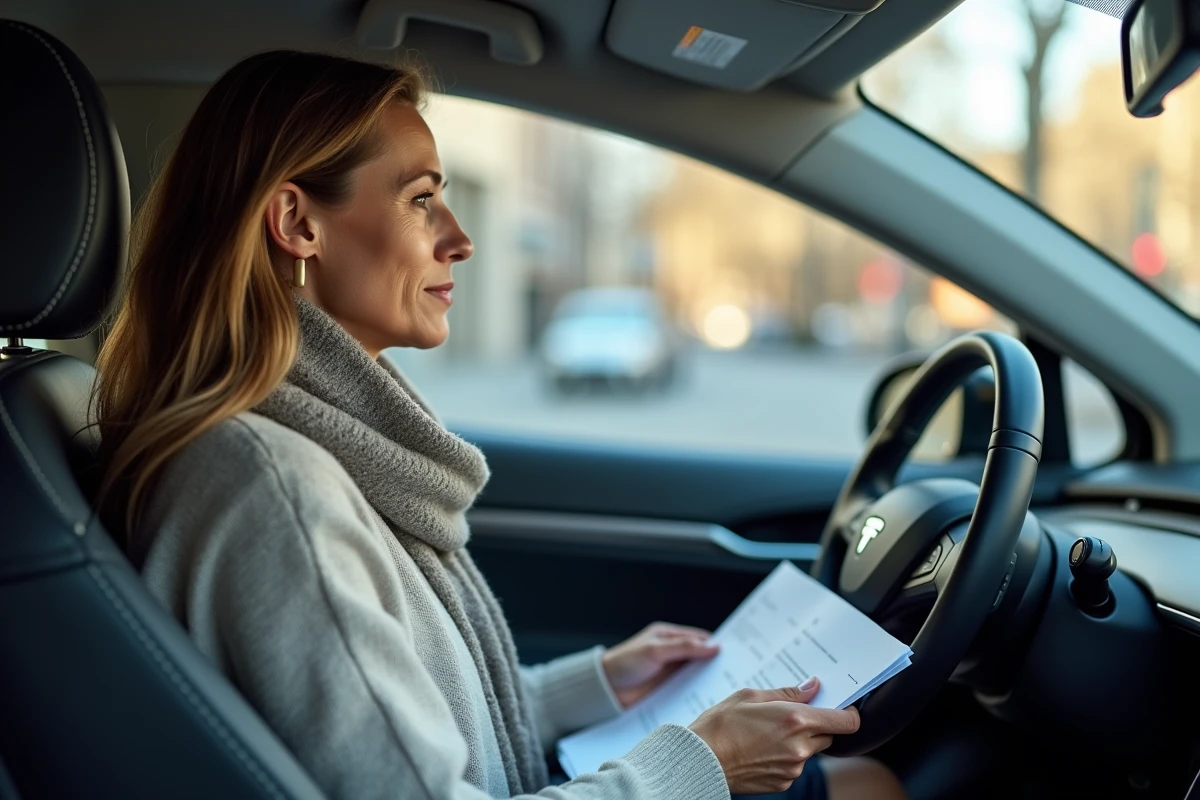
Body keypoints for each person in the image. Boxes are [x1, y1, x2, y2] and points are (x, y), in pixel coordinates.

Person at [92, 50, 906, 800]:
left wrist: (598, 684)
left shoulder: (311, 450)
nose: (462, 239)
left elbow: (397, 719)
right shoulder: (271, 492)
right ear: (299, 225)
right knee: (871, 786)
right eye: (421, 201)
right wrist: (704, 763)